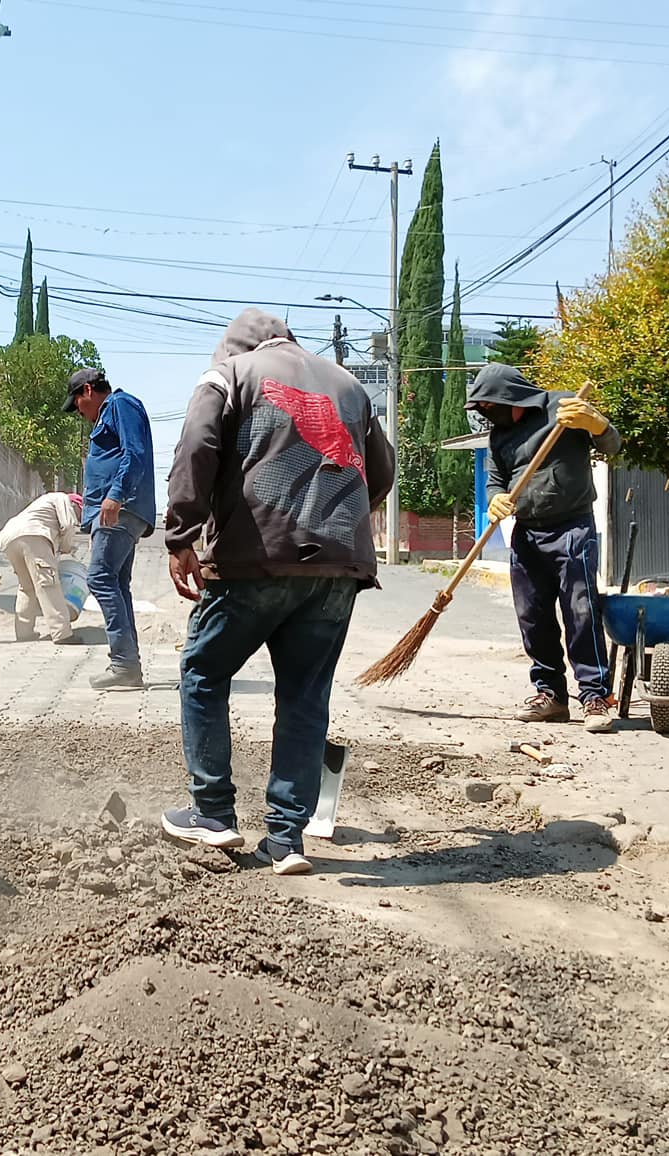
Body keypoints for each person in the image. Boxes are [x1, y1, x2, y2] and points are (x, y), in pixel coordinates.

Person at [159, 309, 394, 875]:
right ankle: (286, 840)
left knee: (203, 673)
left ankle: (213, 813)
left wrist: (180, 534)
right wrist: (339, 527)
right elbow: (380, 472)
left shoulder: (231, 376)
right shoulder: (350, 385)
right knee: (306, 697)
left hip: (255, 561)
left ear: (238, 348)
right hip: (339, 568)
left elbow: (196, 446)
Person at [465, 363, 622, 733]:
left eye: (489, 406)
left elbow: (612, 444)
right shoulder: (500, 437)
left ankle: (594, 696)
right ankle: (550, 694)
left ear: (511, 397)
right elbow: (495, 481)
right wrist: (496, 499)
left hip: (572, 527)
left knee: (580, 612)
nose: (488, 414)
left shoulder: (564, 408)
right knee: (532, 617)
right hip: (527, 532)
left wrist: (596, 423)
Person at [64, 366, 155, 690]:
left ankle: (124, 664)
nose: (78, 411)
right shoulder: (112, 411)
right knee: (117, 582)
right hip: (118, 510)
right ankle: (128, 665)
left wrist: (114, 495)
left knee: (99, 578)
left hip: (119, 510)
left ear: (87, 390)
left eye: (76, 401)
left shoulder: (119, 405)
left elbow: (135, 453)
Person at [0, 490, 84, 643]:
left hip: (8, 537)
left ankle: (24, 633)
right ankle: (62, 634)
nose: (79, 519)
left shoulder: (44, 505)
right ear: (76, 505)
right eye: (80, 514)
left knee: (27, 587)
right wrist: (67, 547)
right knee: (48, 584)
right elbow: (68, 525)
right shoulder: (63, 499)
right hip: (32, 534)